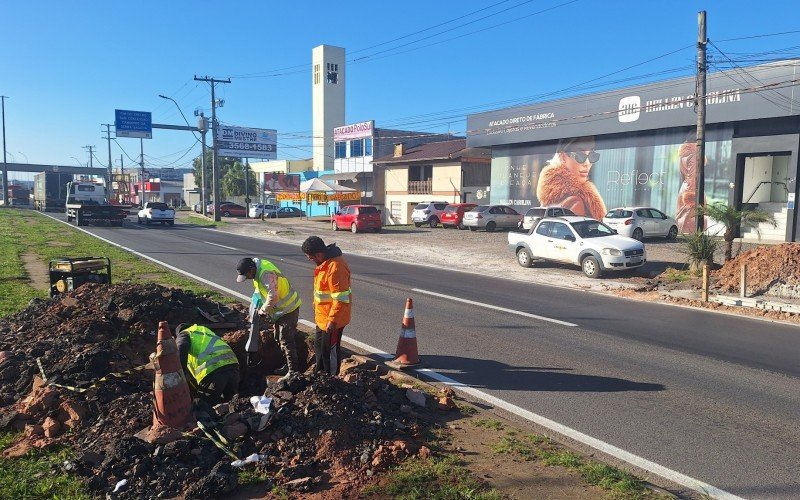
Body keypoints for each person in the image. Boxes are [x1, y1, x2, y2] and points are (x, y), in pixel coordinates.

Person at [236, 257, 302, 378]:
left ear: (251, 269)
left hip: (289, 308)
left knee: (286, 339)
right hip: (279, 311)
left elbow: (273, 296)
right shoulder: (256, 273)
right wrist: (254, 305)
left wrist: (263, 311)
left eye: (247, 275)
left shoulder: (265, 273)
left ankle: (294, 372)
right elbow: (259, 291)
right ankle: (287, 365)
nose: (247, 278)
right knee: (277, 337)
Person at [301, 236, 351, 376]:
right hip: (322, 316)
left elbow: (340, 298)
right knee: (319, 347)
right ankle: (320, 373)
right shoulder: (324, 264)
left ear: (318, 254)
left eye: (310, 257)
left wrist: (332, 320)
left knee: (330, 351)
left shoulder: (335, 267)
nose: (310, 260)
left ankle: (331, 379)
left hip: (333, 319)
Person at [536, 136, 607, 220]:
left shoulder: (550, 197)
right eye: (580, 155)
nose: (587, 163)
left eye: (592, 155)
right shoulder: (576, 203)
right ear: (562, 156)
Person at [174, 324, 240, 405]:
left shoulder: (184, 333)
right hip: (233, 365)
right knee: (231, 403)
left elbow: (181, 345)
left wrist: (182, 371)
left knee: (206, 405)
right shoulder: (204, 330)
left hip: (213, 369)